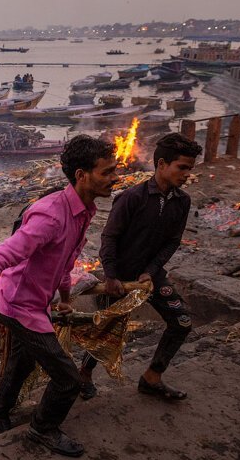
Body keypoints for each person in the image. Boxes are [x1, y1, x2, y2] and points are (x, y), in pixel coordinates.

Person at [0, 135, 119, 458]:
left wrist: (63, 298)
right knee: (68, 379)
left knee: (22, 362)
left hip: (33, 301)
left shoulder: (84, 210)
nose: (115, 178)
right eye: (107, 172)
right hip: (18, 305)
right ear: (81, 176)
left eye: (115, 170)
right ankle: (43, 428)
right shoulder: (50, 215)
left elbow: (65, 260)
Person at [79, 133, 202, 402]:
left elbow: (172, 242)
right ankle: (84, 375)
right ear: (161, 165)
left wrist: (152, 270)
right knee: (107, 330)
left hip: (152, 277)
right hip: (119, 278)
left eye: (190, 169)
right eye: (182, 167)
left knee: (181, 323)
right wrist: (110, 275)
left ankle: (152, 377)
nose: (186, 174)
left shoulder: (182, 201)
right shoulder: (131, 198)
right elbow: (109, 238)